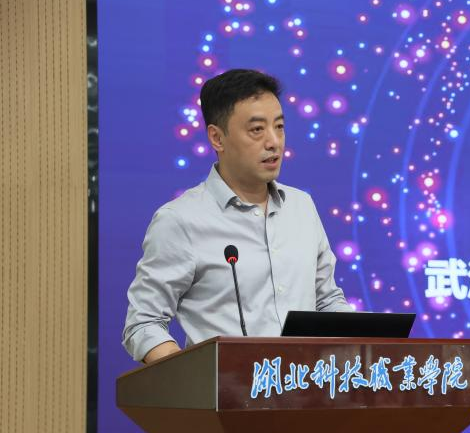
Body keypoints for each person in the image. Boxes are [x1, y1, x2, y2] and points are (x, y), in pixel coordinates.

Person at [122, 68, 352, 363]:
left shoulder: (302, 207)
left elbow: (326, 300)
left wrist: (366, 343)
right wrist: (189, 375)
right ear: (217, 138)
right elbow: (143, 323)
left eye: (279, 127)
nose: (274, 142)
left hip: (306, 387)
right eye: (257, 130)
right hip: (225, 389)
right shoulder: (179, 220)